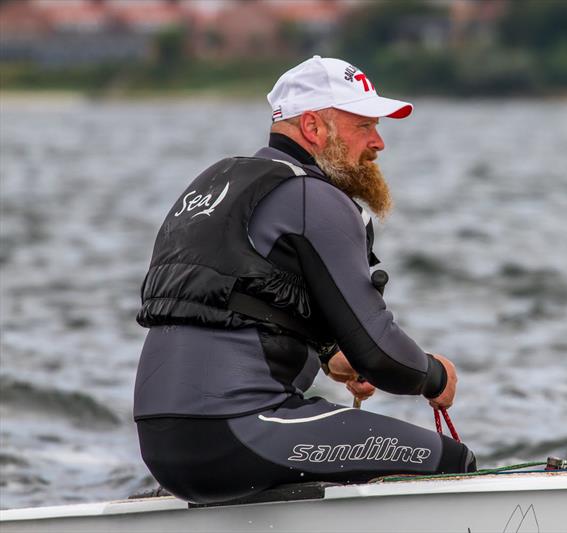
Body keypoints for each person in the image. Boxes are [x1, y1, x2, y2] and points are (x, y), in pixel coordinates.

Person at [133, 56, 475, 504]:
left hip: (163, 446)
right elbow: (382, 355)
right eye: (364, 126)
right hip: (239, 433)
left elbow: (241, 304)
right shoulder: (314, 196)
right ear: (314, 128)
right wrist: (434, 375)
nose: (378, 143)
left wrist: (332, 353)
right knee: (451, 463)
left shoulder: (215, 185)